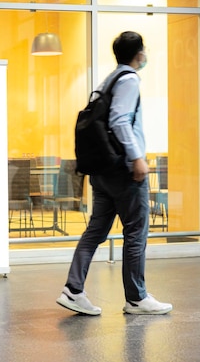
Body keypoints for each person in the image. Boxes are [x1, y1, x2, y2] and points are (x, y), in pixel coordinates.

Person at [56, 31, 172, 316]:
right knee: (135, 232)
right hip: (123, 171)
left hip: (102, 170)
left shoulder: (108, 80)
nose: (145, 56)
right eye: (144, 51)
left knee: (95, 230)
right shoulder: (130, 79)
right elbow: (120, 120)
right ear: (139, 53)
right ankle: (137, 298)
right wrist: (137, 159)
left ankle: (73, 289)